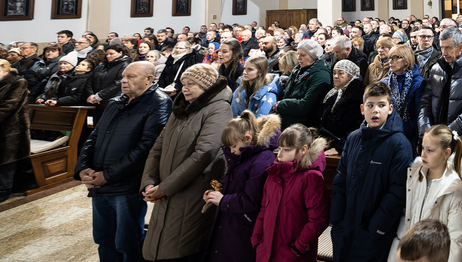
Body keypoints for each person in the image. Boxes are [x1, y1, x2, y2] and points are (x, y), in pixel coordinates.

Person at [75, 62, 172, 262]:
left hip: (126, 185)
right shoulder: (116, 101)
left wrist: (108, 175)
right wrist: (83, 168)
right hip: (99, 182)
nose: (124, 81)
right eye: (123, 77)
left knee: (128, 241)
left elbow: (147, 147)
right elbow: (95, 136)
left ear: (149, 79)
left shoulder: (160, 102)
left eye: (131, 77)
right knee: (104, 238)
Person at [141, 65, 233, 261]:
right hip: (165, 189)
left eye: (192, 84)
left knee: (180, 249)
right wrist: (149, 181)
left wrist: (165, 188)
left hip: (192, 191)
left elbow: (205, 153)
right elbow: (158, 147)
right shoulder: (181, 108)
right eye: (184, 83)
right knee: (157, 248)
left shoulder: (219, 108)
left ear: (206, 87)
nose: (185, 88)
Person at [331, 81, 415, 262]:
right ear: (362, 109)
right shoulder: (354, 138)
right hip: (345, 227)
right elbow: (341, 179)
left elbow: (397, 191)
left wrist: (376, 228)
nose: (375, 110)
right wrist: (337, 218)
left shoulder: (400, 144)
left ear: (390, 109)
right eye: (370, 105)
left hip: (373, 234)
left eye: (381, 105)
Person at [202, 111, 280, 262]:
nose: (231, 151)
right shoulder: (242, 155)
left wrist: (223, 200)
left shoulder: (263, 159)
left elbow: (252, 200)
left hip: (243, 226)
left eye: (233, 146)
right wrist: (219, 189)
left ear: (248, 138)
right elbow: (235, 180)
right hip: (230, 220)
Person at [389, 125, 462, 262]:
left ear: (446, 153)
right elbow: (406, 222)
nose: (423, 154)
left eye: (430, 150)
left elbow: (456, 239)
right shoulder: (415, 176)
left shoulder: (455, 188)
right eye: (422, 148)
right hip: (411, 255)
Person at [251, 124, 330, 262]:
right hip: (266, 251)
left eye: (286, 149)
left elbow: (318, 219)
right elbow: (263, 209)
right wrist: (257, 239)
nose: (280, 154)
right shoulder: (274, 174)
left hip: (292, 255)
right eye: (279, 148)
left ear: (303, 149)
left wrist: (299, 248)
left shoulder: (311, 177)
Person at [418, 27, 462, 155]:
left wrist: (446, 135)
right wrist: (426, 130)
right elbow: (425, 103)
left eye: (448, 48)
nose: (444, 53)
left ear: (460, 47)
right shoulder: (436, 68)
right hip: (435, 139)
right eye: (441, 48)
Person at [275, 40, 330, 129]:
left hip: (302, 125)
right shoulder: (298, 69)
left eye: (303, 55)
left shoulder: (321, 75)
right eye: (298, 54)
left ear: (312, 56)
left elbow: (306, 106)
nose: (298, 58)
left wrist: (281, 105)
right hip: (288, 118)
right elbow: (288, 93)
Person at [381, 44, 425, 148]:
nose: (390, 61)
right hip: (385, 135)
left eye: (395, 58)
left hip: (408, 137)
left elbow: (419, 117)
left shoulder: (419, 83)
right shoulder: (384, 82)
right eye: (389, 58)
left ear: (406, 61)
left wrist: (396, 131)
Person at [318, 60, 365, 154]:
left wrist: (339, 146)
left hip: (347, 146)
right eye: (334, 73)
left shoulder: (358, 95)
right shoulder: (334, 93)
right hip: (331, 142)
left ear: (350, 76)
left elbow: (357, 126)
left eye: (341, 73)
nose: (336, 76)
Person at [0, 59, 29, 202]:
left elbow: (9, 106)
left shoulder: (18, 82)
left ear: (5, 71)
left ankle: (4, 188)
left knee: (6, 158)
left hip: (11, 128)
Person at [87, 43, 130, 118]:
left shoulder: (125, 65)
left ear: (120, 53)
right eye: (106, 54)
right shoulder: (102, 65)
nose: (108, 56)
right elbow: (90, 80)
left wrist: (99, 96)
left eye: (111, 54)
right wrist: (91, 95)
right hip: (95, 101)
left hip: (112, 100)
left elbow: (117, 83)